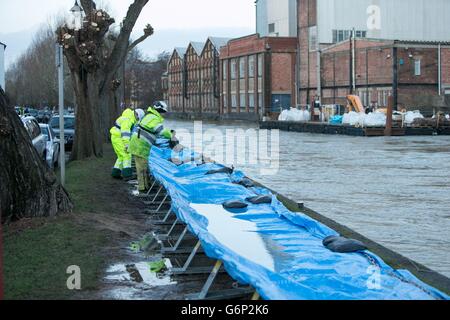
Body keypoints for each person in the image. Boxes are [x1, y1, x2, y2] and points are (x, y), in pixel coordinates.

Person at [129, 101, 173, 193]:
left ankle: (146, 186)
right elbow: (161, 131)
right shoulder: (153, 118)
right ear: (159, 110)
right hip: (140, 145)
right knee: (142, 167)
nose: (163, 115)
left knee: (143, 166)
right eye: (163, 112)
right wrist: (171, 135)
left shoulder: (150, 116)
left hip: (139, 144)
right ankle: (143, 188)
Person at [110, 108, 145, 179]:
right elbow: (125, 133)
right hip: (118, 137)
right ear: (137, 115)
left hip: (116, 137)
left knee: (121, 156)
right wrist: (127, 145)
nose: (138, 120)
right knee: (127, 155)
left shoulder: (129, 118)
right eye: (138, 118)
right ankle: (127, 175)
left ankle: (115, 173)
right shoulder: (128, 120)